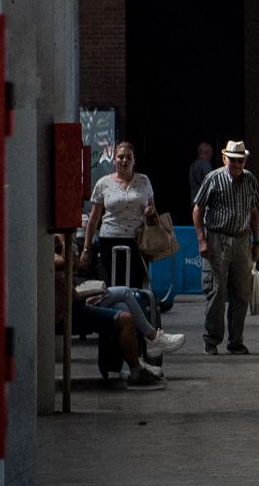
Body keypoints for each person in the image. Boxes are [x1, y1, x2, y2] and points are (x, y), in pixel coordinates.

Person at [59, 244, 165, 388]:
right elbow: (67, 264)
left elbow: (75, 270)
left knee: (120, 307)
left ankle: (122, 366)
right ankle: (141, 360)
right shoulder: (50, 258)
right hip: (69, 311)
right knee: (125, 316)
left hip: (76, 304)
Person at [193, 139, 259, 355]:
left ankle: (236, 341)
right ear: (224, 159)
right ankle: (211, 340)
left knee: (241, 292)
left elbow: (253, 212)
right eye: (232, 160)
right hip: (218, 239)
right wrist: (202, 240)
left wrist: (255, 242)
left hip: (242, 240)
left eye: (240, 160)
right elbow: (198, 210)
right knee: (216, 291)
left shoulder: (250, 179)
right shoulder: (213, 179)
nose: (236, 164)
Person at [80, 140, 161, 290]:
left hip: (137, 240)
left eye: (129, 157)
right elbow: (94, 218)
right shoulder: (103, 183)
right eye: (121, 157)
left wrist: (150, 212)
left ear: (134, 160)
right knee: (112, 284)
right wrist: (86, 248)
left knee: (135, 284)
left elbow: (153, 210)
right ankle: (116, 313)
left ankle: (133, 313)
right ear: (114, 159)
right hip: (109, 238)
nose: (124, 161)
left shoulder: (144, 181)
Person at [187, 141, 215, 210]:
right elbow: (211, 183)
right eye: (210, 152)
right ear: (205, 153)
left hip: (194, 202)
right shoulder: (205, 164)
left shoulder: (193, 165)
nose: (212, 154)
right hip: (203, 204)